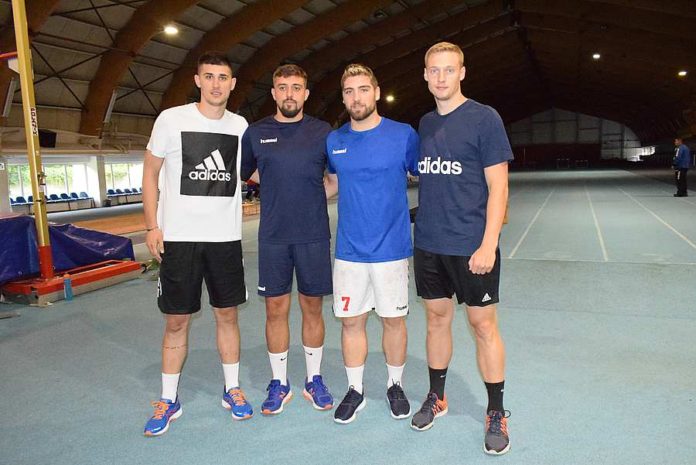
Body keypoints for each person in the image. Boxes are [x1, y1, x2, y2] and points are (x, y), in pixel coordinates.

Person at [410, 42, 513, 456]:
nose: (441, 77)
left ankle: (496, 411)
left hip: (472, 246)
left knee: (483, 326)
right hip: (429, 244)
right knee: (436, 320)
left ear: (462, 73)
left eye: (448, 70)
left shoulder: (484, 118)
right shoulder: (424, 123)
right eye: (434, 70)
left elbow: (498, 186)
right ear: (425, 75)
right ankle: (437, 397)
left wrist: (489, 243)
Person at [142, 51, 251, 436]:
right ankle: (168, 398)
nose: (216, 84)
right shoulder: (171, 120)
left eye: (223, 77)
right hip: (180, 239)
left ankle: (232, 388)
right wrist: (152, 226)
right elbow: (150, 171)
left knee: (228, 316)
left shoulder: (240, 126)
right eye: (209, 76)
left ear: (232, 84)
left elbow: (255, 171)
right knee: (176, 320)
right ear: (197, 80)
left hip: (225, 239)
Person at [325, 64, 419, 424]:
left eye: (363, 89)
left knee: (393, 321)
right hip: (349, 252)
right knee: (351, 322)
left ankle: (395, 385)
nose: (356, 97)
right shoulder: (335, 141)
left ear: (376, 92)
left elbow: (426, 174)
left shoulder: (403, 135)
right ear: (343, 97)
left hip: (391, 250)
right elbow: (331, 184)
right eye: (349, 91)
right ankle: (355, 390)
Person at [240, 64, 334, 415]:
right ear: (274, 93)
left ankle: (314, 378)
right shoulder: (256, 132)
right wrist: (276, 187)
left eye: (296, 87)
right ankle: (279, 382)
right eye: (282, 87)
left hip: (313, 235)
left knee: (312, 307)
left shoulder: (323, 131)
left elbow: (335, 178)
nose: (289, 93)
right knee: (275, 309)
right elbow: (247, 172)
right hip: (273, 237)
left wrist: (310, 197)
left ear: (305, 93)